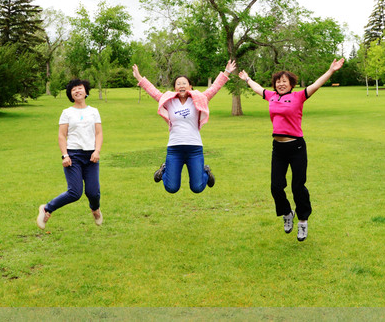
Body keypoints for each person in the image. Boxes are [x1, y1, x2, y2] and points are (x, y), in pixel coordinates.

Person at [239, 59, 344, 242]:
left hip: (296, 146)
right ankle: (287, 213)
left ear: (291, 84)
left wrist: (330, 71)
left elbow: (316, 85)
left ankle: (303, 221)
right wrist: (247, 79)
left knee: (298, 186)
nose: (280, 84)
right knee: (276, 186)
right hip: (278, 148)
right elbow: (257, 89)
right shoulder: (271, 96)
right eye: (278, 81)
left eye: (284, 81)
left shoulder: (298, 96)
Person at [132, 60, 236, 194]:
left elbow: (214, 88)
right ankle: (164, 170)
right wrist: (139, 78)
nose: (181, 86)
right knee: (171, 188)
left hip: (195, 149)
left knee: (197, 188)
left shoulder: (199, 99)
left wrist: (226, 72)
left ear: (190, 86)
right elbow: (153, 91)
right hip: (175, 149)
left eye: (184, 83)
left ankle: (206, 172)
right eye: (178, 84)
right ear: (175, 88)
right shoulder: (169, 101)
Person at [37, 79, 103, 230]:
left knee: (93, 192)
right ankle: (47, 209)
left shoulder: (94, 111)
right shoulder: (67, 113)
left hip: (91, 156)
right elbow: (62, 135)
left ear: (86, 92)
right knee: (74, 192)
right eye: (73, 90)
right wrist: (65, 155)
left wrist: (97, 151)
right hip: (73, 156)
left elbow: (99, 133)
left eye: (80, 88)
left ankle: (95, 209)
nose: (77, 91)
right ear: (71, 95)